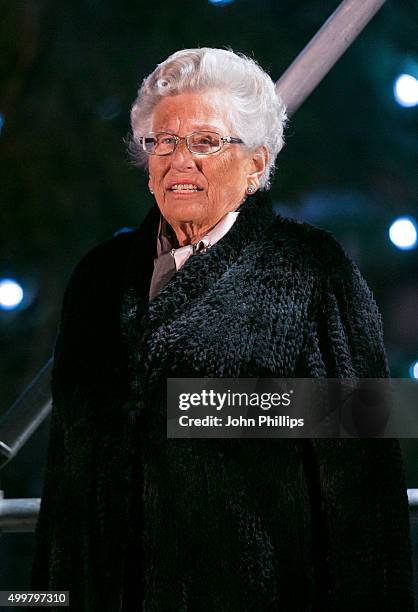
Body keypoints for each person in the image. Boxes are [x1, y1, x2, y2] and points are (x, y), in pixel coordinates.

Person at [31, 48, 413, 611]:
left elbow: (365, 476)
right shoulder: (98, 278)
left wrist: (198, 408)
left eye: (206, 141)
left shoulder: (313, 269)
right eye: (162, 141)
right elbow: (65, 479)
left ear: (256, 165)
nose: (178, 160)